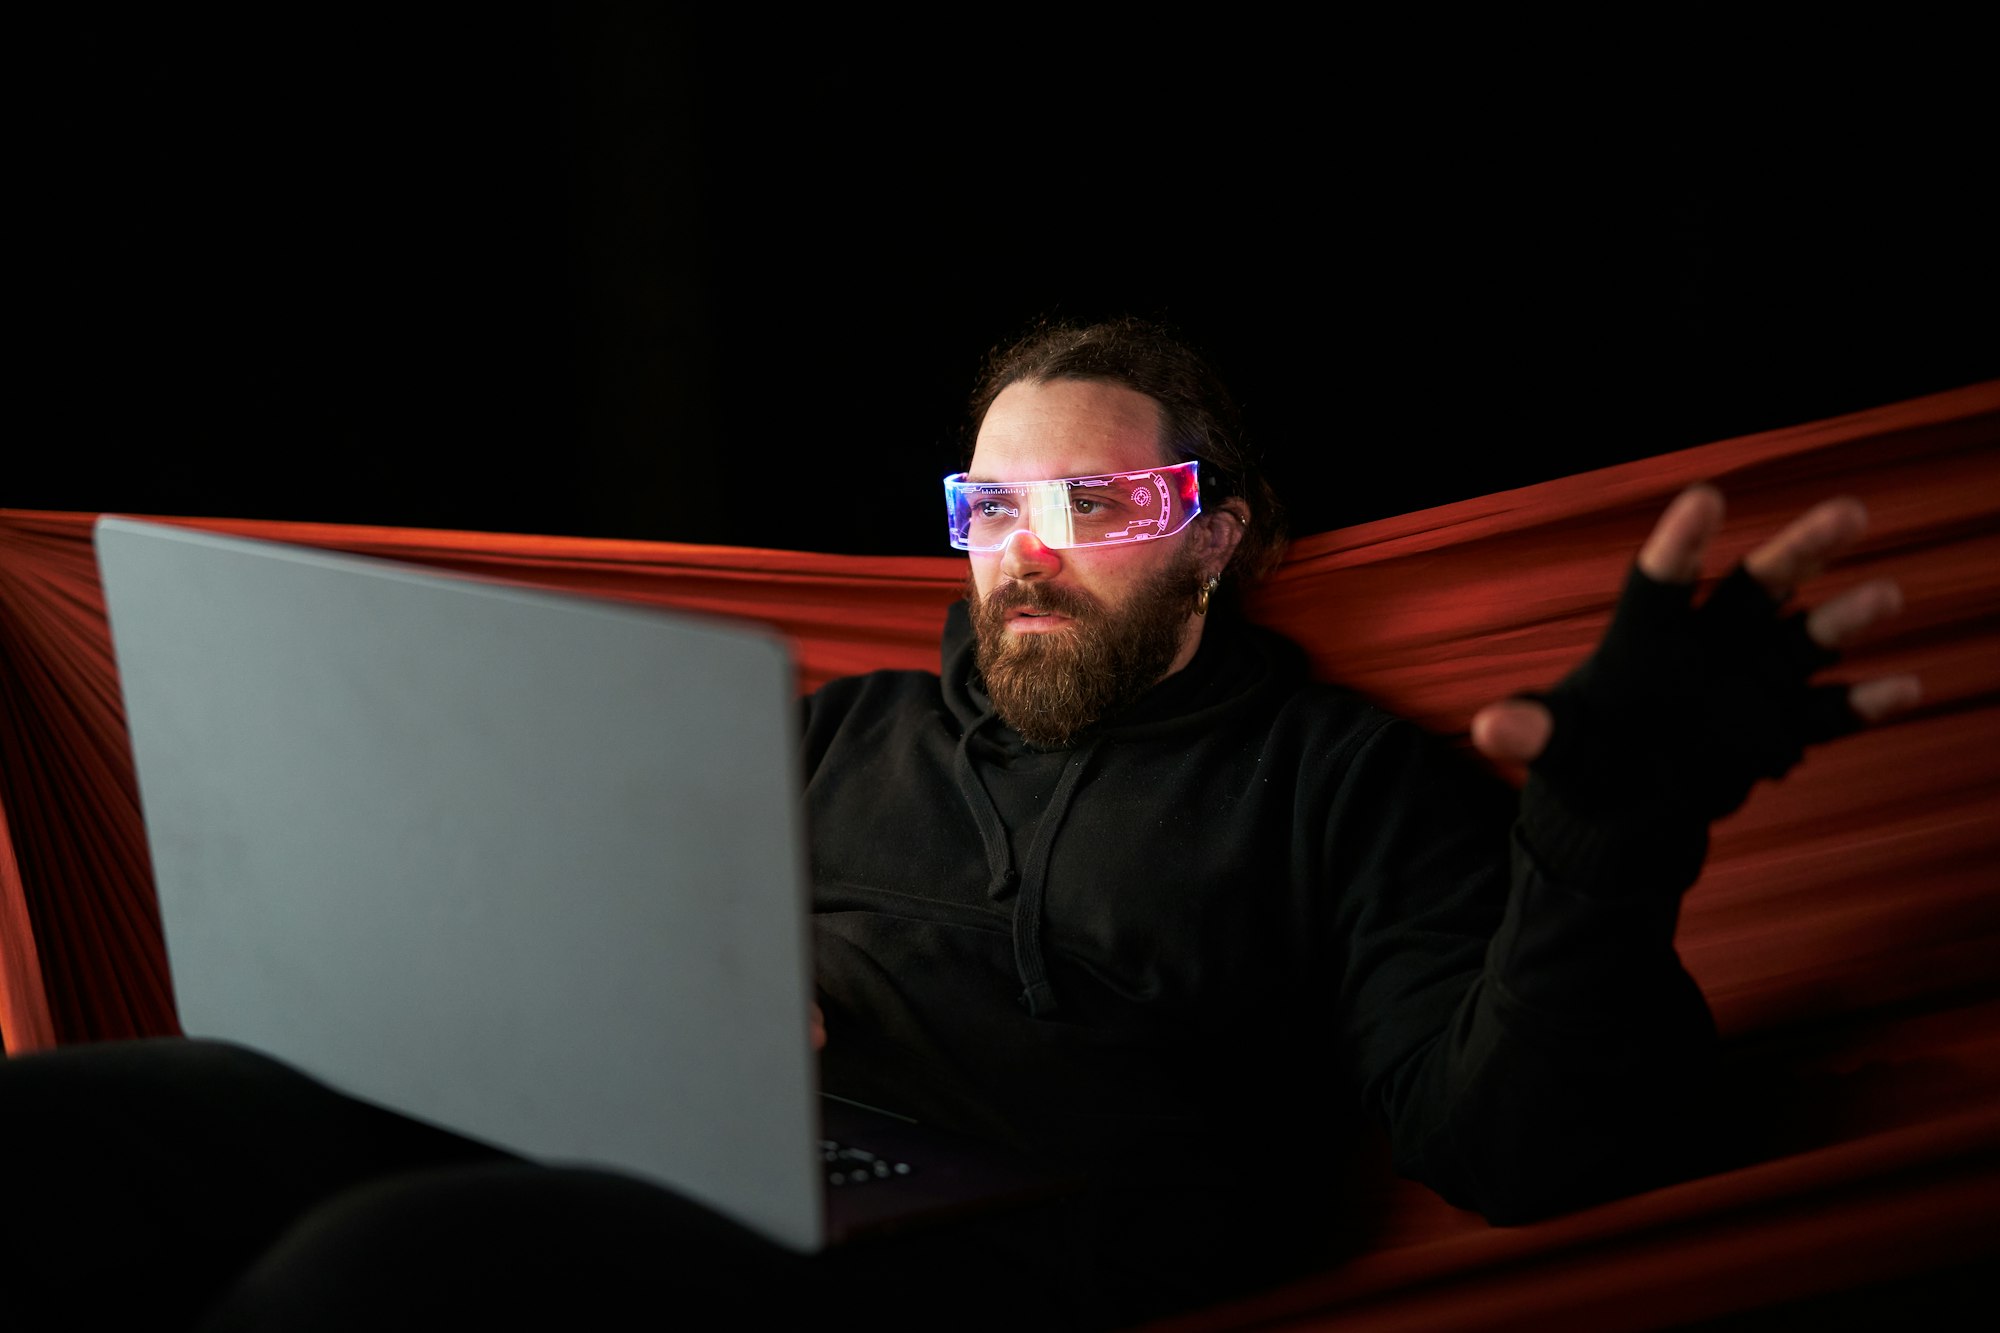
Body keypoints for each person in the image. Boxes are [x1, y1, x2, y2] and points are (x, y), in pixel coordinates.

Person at [2, 318, 1917, 1330]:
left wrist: (1608, 829)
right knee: (112, 1124)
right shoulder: (842, 734)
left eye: (1100, 507)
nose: (1033, 555)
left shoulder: (1344, 787)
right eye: (995, 509)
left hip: (1006, 1229)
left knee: (371, 1273)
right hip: (700, 1120)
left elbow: (1516, 1146)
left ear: (1218, 534)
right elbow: (608, 959)